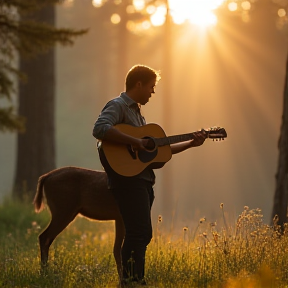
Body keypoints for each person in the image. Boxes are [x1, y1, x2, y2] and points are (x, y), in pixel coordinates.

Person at [92, 64, 206, 286]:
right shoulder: (118, 105)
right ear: (138, 84)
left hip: (142, 180)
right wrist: (136, 142)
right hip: (127, 181)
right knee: (138, 232)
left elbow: (157, 152)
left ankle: (134, 279)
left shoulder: (138, 116)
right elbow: (100, 128)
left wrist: (192, 143)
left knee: (143, 234)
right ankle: (132, 281)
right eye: (151, 87)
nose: (152, 93)